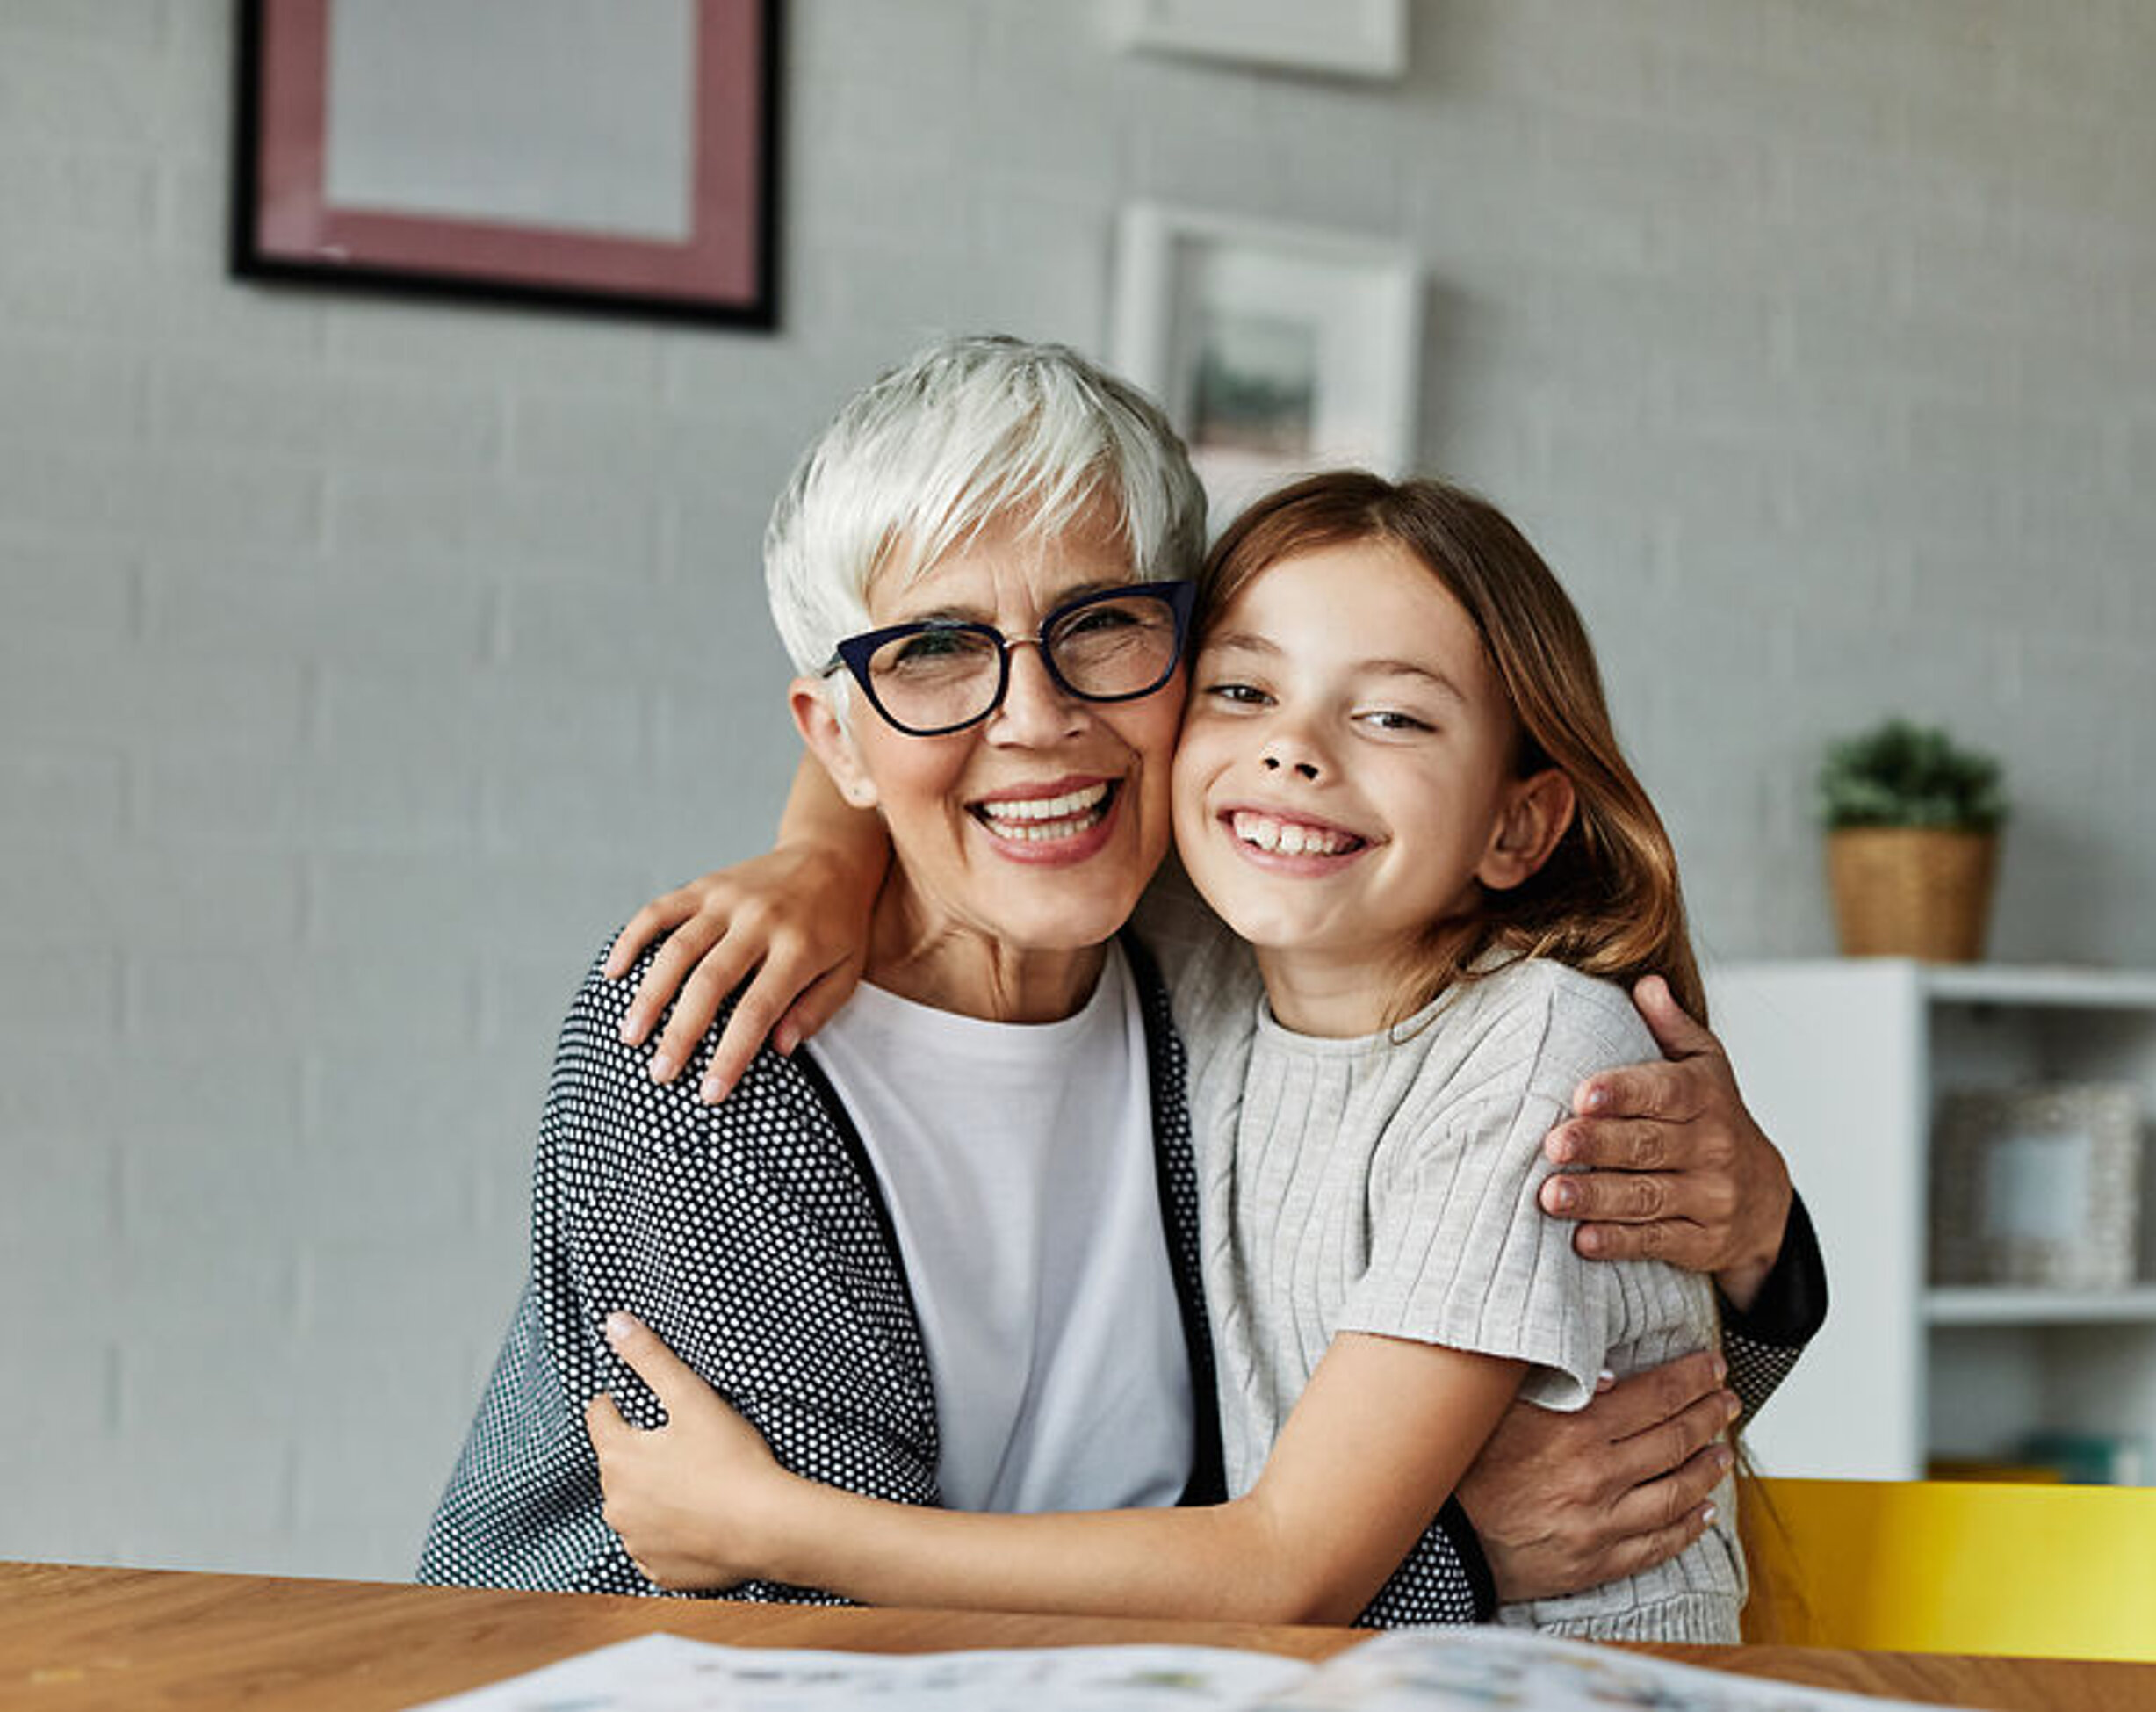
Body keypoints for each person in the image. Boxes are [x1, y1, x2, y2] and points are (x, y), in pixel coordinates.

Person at [421, 337, 1822, 1619]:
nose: (1036, 719)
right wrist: (1450, 1560)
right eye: (935, 649)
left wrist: (1755, 1239)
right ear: (838, 734)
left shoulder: (1214, 955)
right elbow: (823, 1628)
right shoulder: (712, 1038)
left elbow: (1590, 1406)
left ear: (1181, 655)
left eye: (1100, 623)